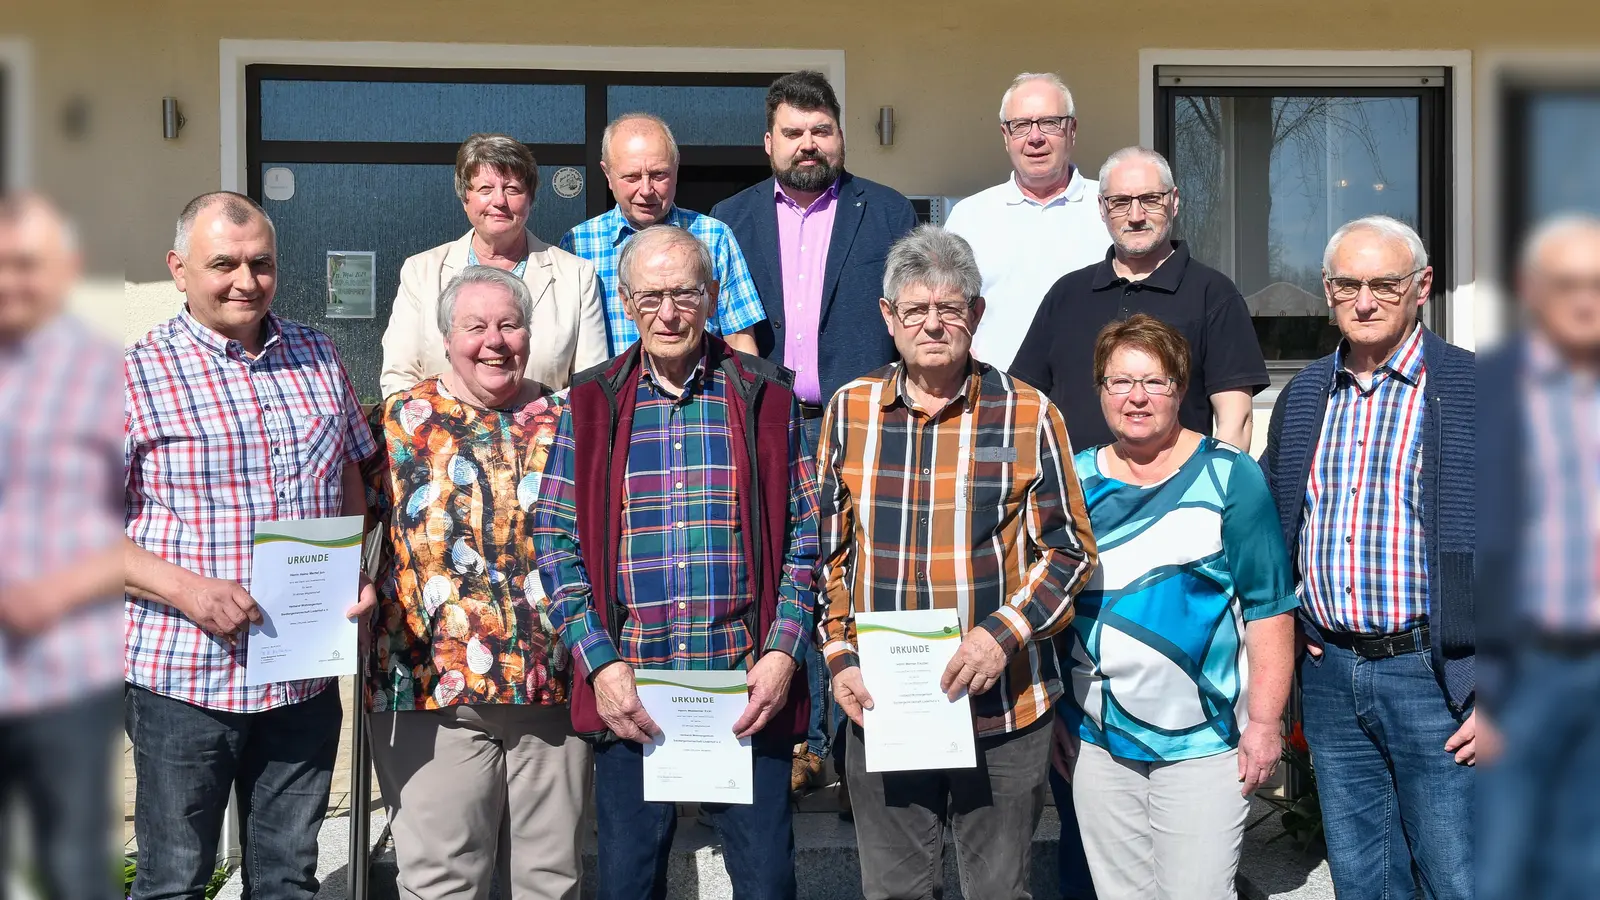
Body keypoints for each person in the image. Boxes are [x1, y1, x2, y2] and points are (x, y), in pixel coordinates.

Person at [531, 225, 820, 900]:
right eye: (651, 296)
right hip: (635, 692)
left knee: (768, 883)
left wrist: (782, 655)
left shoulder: (765, 395)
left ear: (713, 296)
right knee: (629, 885)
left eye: (686, 294)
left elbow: (808, 535)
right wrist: (599, 663)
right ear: (627, 302)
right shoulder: (592, 401)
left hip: (745, 687)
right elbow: (555, 538)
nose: (669, 313)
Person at [815, 225, 1098, 900]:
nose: (934, 323)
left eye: (951, 307)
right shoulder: (852, 411)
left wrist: (1001, 634)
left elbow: (1070, 552)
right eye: (915, 309)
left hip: (1002, 712)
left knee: (998, 892)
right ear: (888, 318)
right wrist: (838, 655)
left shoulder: (1028, 412)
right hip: (886, 708)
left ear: (976, 314)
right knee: (895, 893)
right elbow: (826, 553)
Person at [123, 192, 378, 899]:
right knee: (175, 879)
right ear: (179, 270)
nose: (246, 280)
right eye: (223, 264)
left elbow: (350, 471)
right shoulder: (133, 373)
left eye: (261, 263)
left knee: (288, 880)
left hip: (300, 677)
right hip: (185, 680)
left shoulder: (317, 351)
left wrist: (352, 568)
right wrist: (189, 591)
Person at [712, 69, 918, 795]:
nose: (808, 145)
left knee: (854, 569)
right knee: (775, 569)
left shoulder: (890, 213)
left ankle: (846, 747)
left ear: (840, 135)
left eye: (821, 131)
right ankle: (790, 739)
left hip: (861, 422)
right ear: (767, 141)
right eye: (793, 133)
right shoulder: (726, 221)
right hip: (765, 423)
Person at [1261, 215, 1475, 900]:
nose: (1364, 300)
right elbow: (1270, 526)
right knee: (1364, 880)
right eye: (1347, 284)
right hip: (1332, 677)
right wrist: (1293, 626)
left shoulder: (1477, 391)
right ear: (1327, 291)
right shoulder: (1303, 398)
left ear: (1422, 286)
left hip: (1439, 679)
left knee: (1461, 876)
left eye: (1384, 283)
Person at [365, 266, 591, 900]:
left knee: (551, 881)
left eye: (509, 324)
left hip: (554, 687)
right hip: (433, 696)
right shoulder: (397, 423)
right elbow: (335, 510)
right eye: (475, 326)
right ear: (445, 338)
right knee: (442, 881)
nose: (494, 341)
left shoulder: (570, 418)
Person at [1054, 314, 1297, 900]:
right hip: (1098, 740)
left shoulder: (1229, 477)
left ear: (1181, 389)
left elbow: (1269, 608)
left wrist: (1266, 723)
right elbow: (1049, 609)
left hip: (1208, 744)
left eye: (1155, 382)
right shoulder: (1072, 480)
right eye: (1120, 382)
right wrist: (1059, 715)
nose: (1137, 397)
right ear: (1100, 390)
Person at [0, 194, 124, 900]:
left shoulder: (106, 375)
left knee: (76, 867)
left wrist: (55, 591)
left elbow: (141, 520)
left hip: (68, 674)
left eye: (30, 265)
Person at [1476, 214, 1600, 900]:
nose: (1587, 301)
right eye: (1568, 285)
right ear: (1532, 291)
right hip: (1524, 672)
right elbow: (1460, 539)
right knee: (1504, 866)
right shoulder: (1487, 389)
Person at [1011, 146, 1266, 454]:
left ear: (1173, 202)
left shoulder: (1213, 294)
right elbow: (1022, 407)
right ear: (1102, 209)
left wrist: (1208, 495)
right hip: (1074, 494)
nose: (1135, 216)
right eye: (1120, 202)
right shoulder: (1066, 294)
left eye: (1150, 199)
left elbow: (1235, 421)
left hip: (1176, 496)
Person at [381, 133, 608, 397]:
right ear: (465, 198)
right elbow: (399, 376)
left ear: (530, 199)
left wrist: (536, 424)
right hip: (442, 435)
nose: (499, 201)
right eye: (485, 189)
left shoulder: (576, 275)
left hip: (548, 434)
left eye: (512, 189)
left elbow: (590, 384)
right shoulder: (421, 272)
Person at [945, 72, 1111, 373]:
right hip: (996, 402)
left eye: (1050, 122)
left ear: (1072, 130)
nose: (1035, 138)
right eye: (1021, 125)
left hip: (1095, 400)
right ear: (1005, 137)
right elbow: (946, 309)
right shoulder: (969, 217)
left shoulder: (1111, 207)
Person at [560, 112, 764, 356]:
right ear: (608, 175)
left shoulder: (714, 237)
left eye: (659, 175)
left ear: (676, 169)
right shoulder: (578, 245)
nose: (646, 190)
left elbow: (740, 341)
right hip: (612, 394)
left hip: (702, 390)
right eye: (632, 177)